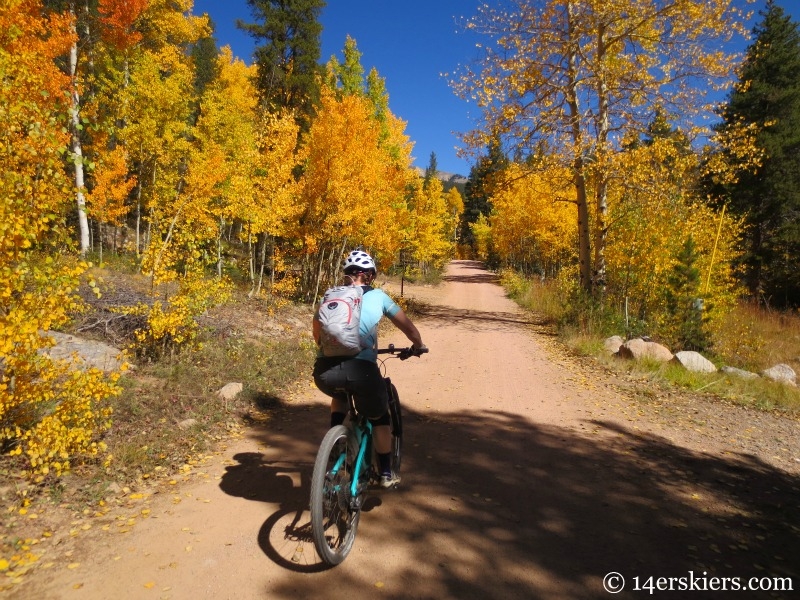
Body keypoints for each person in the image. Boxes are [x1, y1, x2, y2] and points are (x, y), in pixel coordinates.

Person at [312, 249, 427, 489]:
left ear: (347, 275)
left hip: (324, 371)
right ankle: (385, 472)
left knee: (339, 393)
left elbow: (317, 335)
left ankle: (335, 442)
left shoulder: (330, 297)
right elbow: (408, 328)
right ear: (370, 276)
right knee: (379, 416)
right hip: (362, 371)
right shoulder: (379, 296)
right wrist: (418, 346)